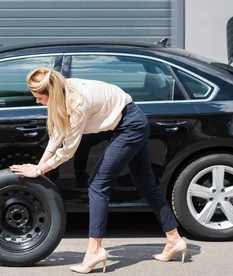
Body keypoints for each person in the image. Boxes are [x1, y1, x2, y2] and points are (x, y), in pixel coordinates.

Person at [10, 68, 188, 274]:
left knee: (97, 185)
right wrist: (38, 167)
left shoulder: (77, 103)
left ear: (52, 93)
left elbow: (67, 150)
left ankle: (94, 251)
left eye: (40, 98)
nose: (37, 102)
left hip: (130, 126)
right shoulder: (62, 90)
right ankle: (174, 239)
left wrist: (39, 170)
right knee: (146, 184)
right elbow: (57, 134)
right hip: (132, 122)